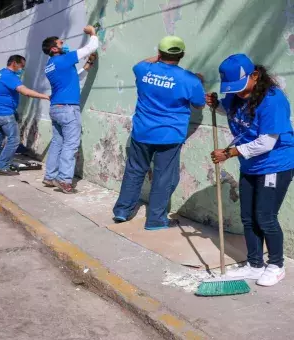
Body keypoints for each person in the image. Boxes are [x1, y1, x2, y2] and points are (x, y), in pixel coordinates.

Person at [207, 54, 294, 286]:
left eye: (241, 87)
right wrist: (215, 104)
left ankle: (276, 265)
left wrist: (229, 153)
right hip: (250, 165)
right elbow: (230, 110)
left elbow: (267, 142)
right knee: (248, 217)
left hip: (275, 163)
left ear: (255, 76)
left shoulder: (273, 100)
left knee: (265, 216)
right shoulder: (236, 94)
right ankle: (255, 264)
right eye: (233, 89)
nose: (238, 93)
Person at [113, 36, 205, 230]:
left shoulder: (143, 70)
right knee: (164, 178)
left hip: (142, 132)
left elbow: (139, 63)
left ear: (159, 53)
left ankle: (122, 211)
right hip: (169, 136)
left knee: (134, 171)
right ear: (182, 55)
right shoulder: (189, 79)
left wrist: (158, 58)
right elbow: (199, 104)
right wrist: (197, 83)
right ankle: (155, 220)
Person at [41, 25, 99, 193]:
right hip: (68, 109)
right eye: (60, 42)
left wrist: (88, 64)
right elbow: (91, 47)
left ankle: (50, 177)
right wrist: (92, 33)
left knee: (57, 143)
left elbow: (74, 78)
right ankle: (64, 180)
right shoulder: (63, 59)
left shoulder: (51, 65)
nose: (63, 44)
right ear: (54, 48)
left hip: (56, 108)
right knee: (71, 145)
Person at [0, 55, 50, 176]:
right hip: (4, 113)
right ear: (14, 63)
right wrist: (46, 96)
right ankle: (2, 167)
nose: (22, 68)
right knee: (14, 140)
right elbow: (25, 92)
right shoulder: (10, 77)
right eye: (22, 65)